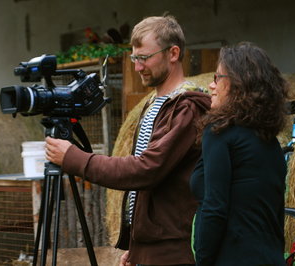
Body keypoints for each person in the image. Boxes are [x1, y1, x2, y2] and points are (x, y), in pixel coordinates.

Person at [45, 15, 211, 266]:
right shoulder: (155, 104)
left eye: (144, 58)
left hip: (174, 252)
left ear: (173, 53)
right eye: (135, 58)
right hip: (151, 249)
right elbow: (145, 190)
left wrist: (73, 158)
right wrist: (138, 248)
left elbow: (146, 170)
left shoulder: (187, 109)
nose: (137, 67)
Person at [190, 42, 288, 265]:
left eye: (217, 78)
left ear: (238, 85)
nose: (210, 85)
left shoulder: (219, 133)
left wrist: (203, 261)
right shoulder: (270, 143)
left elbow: (214, 208)